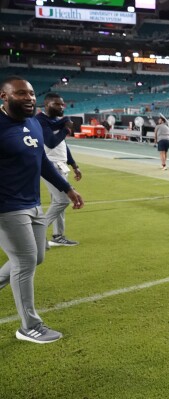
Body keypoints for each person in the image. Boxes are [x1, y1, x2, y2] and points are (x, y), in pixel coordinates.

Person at [0, 76, 84, 344]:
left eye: (32, 94)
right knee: (25, 262)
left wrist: (68, 189)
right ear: (4, 96)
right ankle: (29, 327)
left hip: (33, 204)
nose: (29, 98)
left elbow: (43, 162)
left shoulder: (33, 123)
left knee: (36, 257)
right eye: (21, 93)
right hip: (8, 207)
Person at [36, 93, 82, 247]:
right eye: (57, 104)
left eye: (62, 104)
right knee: (63, 201)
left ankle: (58, 236)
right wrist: (66, 130)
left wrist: (74, 165)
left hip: (60, 164)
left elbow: (63, 146)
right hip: (50, 165)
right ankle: (37, 233)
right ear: (47, 105)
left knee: (58, 202)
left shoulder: (57, 121)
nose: (61, 107)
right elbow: (51, 142)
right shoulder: (40, 120)